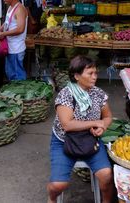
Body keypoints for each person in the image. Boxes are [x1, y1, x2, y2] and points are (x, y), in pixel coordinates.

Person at [47, 55, 114, 203]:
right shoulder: (66, 94)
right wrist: (95, 123)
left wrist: (102, 127)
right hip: (63, 140)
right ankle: (52, 198)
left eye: (95, 73)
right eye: (90, 73)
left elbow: (108, 117)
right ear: (77, 76)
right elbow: (67, 125)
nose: (94, 77)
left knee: (106, 175)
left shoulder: (98, 93)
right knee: (57, 185)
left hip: (90, 139)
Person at [0, 0, 28, 81]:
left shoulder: (20, 9)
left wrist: (3, 34)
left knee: (18, 77)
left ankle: (20, 95)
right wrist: (0, 29)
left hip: (17, 48)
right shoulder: (10, 7)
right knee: (11, 75)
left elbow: (20, 29)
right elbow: (7, 22)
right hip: (10, 47)